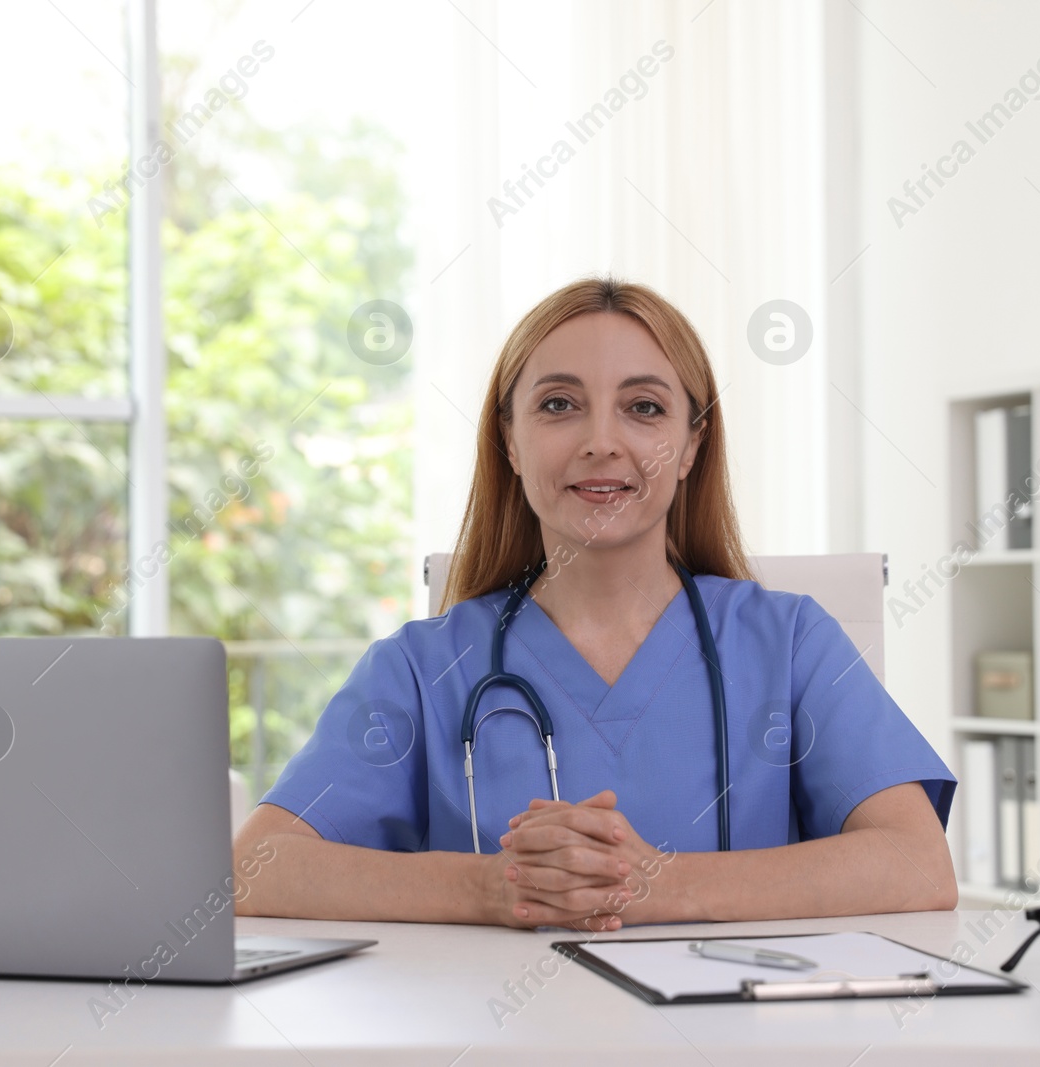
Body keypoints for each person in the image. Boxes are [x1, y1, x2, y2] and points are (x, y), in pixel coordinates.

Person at [233, 277, 957, 931]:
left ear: (690, 445)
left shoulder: (792, 642)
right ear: (510, 442)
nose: (601, 442)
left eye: (644, 408)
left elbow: (918, 864)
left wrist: (652, 885)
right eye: (558, 405)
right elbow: (252, 868)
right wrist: (497, 887)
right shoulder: (422, 668)